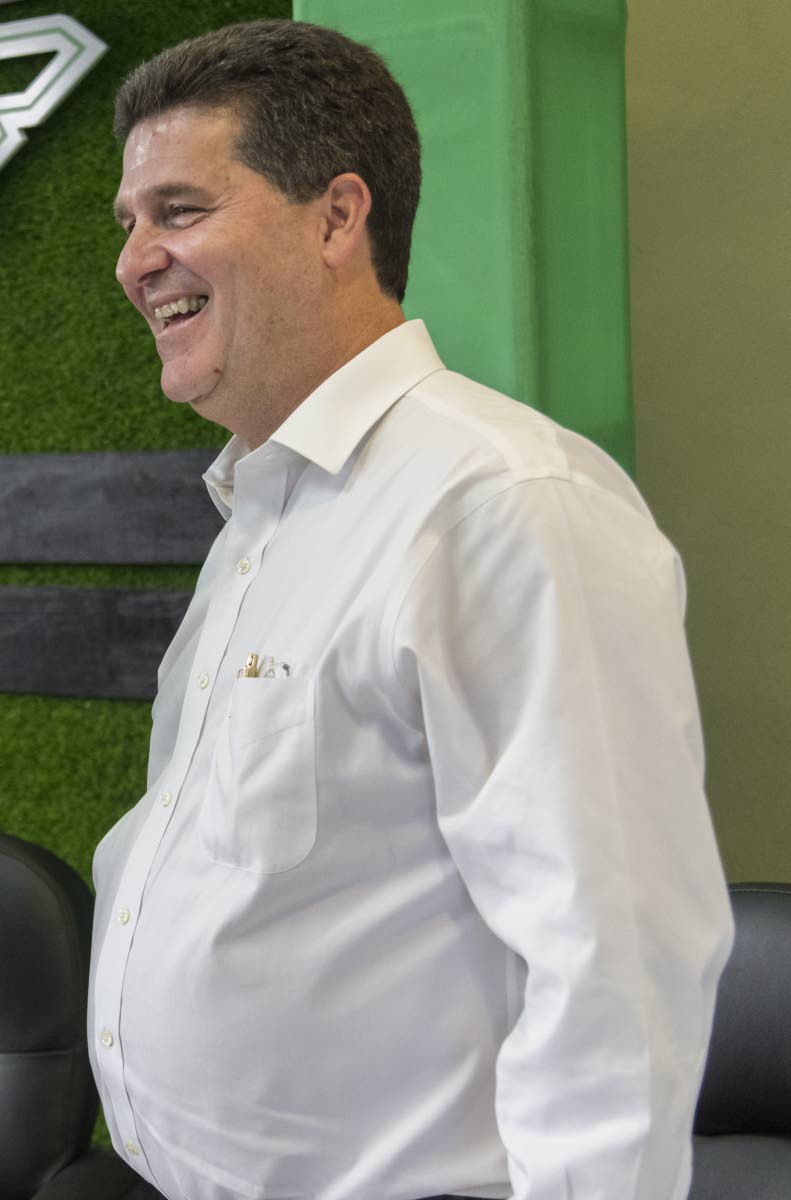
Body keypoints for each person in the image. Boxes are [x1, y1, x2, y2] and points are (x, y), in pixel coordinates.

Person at [89, 18, 734, 1200]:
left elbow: (614, 961)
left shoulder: (500, 501)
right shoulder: (261, 516)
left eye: (179, 210)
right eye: (129, 223)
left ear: (337, 217)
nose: (135, 262)